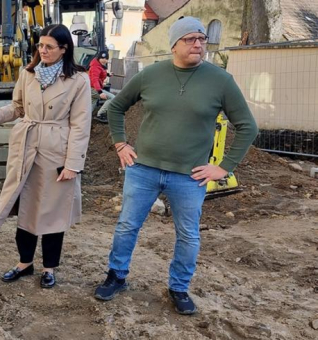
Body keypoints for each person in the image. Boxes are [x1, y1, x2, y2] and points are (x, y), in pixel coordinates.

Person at [93, 17, 258, 315]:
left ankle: (179, 288)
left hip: (189, 175)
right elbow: (116, 107)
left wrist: (224, 167)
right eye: (190, 39)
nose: (198, 44)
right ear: (174, 45)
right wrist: (120, 143)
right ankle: (116, 275)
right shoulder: (151, 75)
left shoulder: (220, 81)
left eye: (202, 39)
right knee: (128, 225)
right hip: (143, 169)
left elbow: (248, 127)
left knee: (188, 234)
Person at [0, 24, 92, 288]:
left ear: (64, 49)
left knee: (53, 212)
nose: (42, 51)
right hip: (26, 146)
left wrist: (73, 164)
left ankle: (49, 268)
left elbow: (81, 125)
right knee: (24, 206)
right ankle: (24, 263)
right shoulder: (28, 73)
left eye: (49, 47)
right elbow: (18, 107)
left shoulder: (79, 79)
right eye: (40, 46)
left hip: (56, 150)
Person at [88, 50, 114, 124]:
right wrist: (100, 92)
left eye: (106, 59)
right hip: (94, 88)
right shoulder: (95, 67)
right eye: (102, 58)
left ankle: (85, 119)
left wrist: (108, 74)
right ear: (99, 58)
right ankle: (100, 114)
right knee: (112, 98)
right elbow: (94, 80)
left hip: (93, 88)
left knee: (92, 104)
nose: (104, 60)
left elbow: (101, 73)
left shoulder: (99, 65)